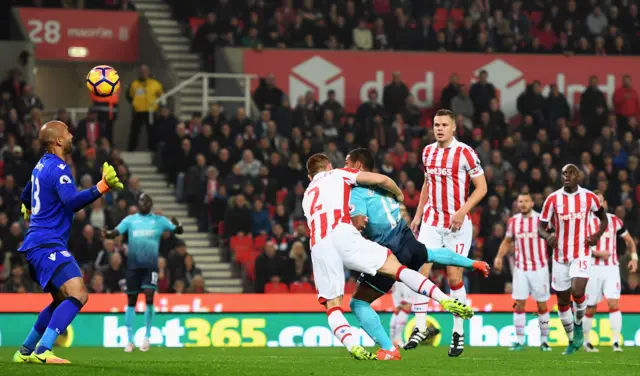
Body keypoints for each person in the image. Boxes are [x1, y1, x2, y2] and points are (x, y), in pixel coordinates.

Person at [303, 153, 473, 361]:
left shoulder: (307, 195)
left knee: (333, 305)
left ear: (310, 177)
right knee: (397, 269)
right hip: (343, 234)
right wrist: (398, 194)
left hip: (319, 245)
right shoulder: (338, 174)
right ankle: (444, 299)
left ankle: (352, 345)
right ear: (329, 166)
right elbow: (382, 180)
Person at [344, 148, 490, 359]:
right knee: (429, 254)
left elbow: (358, 222)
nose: (344, 168)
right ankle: (472, 264)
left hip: (388, 251)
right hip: (407, 240)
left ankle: (390, 348)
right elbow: (394, 190)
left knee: (358, 303)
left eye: (347, 164)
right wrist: (470, 263)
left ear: (357, 166)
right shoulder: (384, 186)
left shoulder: (356, 192)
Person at [13, 120, 124, 364]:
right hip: (47, 244)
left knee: (61, 299)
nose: (72, 135)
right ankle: (43, 351)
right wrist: (101, 187)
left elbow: (25, 195)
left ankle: (25, 351)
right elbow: (71, 202)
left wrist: (27, 207)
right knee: (79, 294)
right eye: (67, 132)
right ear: (59, 141)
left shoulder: (40, 166)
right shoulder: (59, 168)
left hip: (36, 244)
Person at [408, 109, 488, 356]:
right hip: (432, 221)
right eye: (436, 124)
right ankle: (420, 326)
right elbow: (427, 184)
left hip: (456, 225)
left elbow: (482, 188)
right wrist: (419, 214)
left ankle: (457, 332)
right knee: (419, 267)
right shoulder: (428, 151)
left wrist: (463, 211)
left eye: (444, 124)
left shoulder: (465, 153)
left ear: (454, 127)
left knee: (454, 278)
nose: (439, 128)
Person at [538, 164, 608, 355]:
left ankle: (578, 326)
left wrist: (596, 236)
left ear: (578, 176)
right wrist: (547, 236)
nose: (566, 176)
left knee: (578, 292)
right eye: (563, 174)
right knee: (562, 302)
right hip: (560, 256)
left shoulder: (589, 197)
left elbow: (604, 219)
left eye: (570, 173)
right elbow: (540, 227)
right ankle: (571, 339)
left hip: (581, 253)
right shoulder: (552, 199)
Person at [104, 193, 183, 353]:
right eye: (142, 202)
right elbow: (115, 232)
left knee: (149, 297)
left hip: (150, 266)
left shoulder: (159, 220)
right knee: (131, 301)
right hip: (133, 267)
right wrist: (108, 234)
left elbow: (178, 231)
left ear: (150, 204)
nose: (144, 204)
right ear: (139, 204)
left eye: (147, 202)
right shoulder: (130, 220)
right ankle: (129, 340)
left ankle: (147, 337)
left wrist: (178, 223)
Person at [494, 192, 551, 352]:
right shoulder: (513, 222)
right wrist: (499, 257)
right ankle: (519, 340)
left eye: (526, 201)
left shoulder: (541, 219)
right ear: (517, 204)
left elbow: (553, 237)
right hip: (520, 269)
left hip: (540, 268)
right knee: (519, 304)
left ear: (532, 203)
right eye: (520, 201)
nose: (523, 204)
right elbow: (507, 241)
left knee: (541, 305)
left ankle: (544, 341)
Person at [583, 191, 637, 353]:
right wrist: (595, 253)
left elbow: (629, 240)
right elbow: (578, 246)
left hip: (611, 268)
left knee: (613, 303)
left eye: (601, 202)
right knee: (591, 307)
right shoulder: (584, 223)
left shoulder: (614, 221)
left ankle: (615, 342)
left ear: (605, 203)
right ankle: (587, 343)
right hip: (592, 268)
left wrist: (634, 258)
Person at [127, 64, 164, 152]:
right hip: (138, 111)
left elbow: (161, 97)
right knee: (134, 131)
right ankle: (131, 149)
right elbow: (130, 96)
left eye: (145, 71)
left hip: (151, 111)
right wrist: (135, 105)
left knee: (152, 132)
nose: (143, 73)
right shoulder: (134, 84)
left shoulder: (156, 84)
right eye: (141, 71)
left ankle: (152, 150)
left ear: (148, 72)